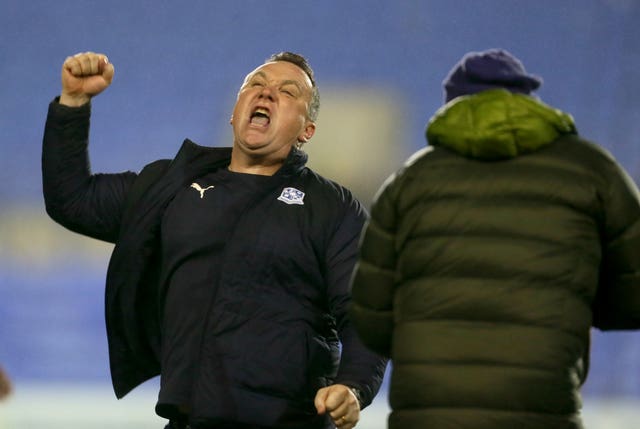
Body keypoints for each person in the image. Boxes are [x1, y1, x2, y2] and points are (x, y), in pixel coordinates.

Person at [42, 51, 386, 429]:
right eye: (255, 84)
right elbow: (72, 201)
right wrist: (72, 104)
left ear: (307, 130)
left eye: (287, 92)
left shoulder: (331, 207)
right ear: (235, 110)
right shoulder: (171, 185)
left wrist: (354, 387)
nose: (266, 94)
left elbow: (363, 311)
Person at [349, 48, 640, 429]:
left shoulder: (410, 181)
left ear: (452, 108)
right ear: (530, 104)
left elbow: (370, 318)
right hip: (540, 408)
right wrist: (569, 306)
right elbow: (632, 297)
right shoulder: (593, 170)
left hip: (430, 411)